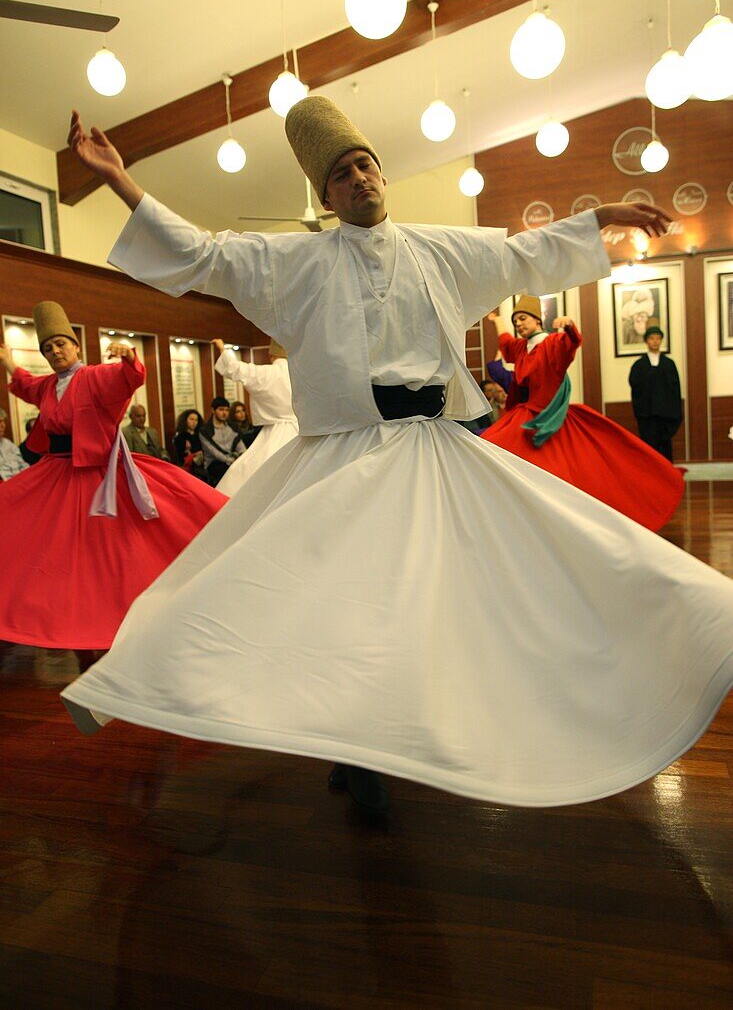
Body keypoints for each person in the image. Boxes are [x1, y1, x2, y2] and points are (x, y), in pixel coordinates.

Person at [60, 102, 733, 818]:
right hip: (344, 458)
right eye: (340, 176)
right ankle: (355, 749)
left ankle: (661, 636)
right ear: (326, 199)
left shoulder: (434, 248)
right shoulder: (296, 260)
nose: (357, 179)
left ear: (380, 173)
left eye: (362, 165)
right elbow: (204, 254)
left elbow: (518, 254)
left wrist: (597, 217)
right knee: (346, 607)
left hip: (430, 448)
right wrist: (118, 181)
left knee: (510, 566)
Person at [0, 300, 226, 654]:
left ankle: (125, 615)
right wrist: (7, 362)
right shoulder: (47, 387)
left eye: (60, 344)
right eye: (47, 348)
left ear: (75, 345)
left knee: (111, 551)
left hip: (98, 476)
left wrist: (128, 357)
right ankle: (65, 616)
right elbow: (26, 384)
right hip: (57, 473)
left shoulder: (93, 376)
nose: (55, 351)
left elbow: (130, 377)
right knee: (40, 537)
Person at [480, 303, 683, 530]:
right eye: (516, 320)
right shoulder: (520, 348)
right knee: (491, 447)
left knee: (570, 473)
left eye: (523, 318)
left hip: (548, 418)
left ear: (537, 320)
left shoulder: (552, 344)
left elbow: (571, 344)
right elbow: (505, 341)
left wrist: (568, 326)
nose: (518, 323)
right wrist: (497, 320)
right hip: (525, 417)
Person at [212, 337, 299, 496]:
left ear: (271, 355)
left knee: (252, 476)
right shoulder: (300, 374)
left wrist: (222, 349)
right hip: (301, 432)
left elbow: (234, 368)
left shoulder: (265, 373)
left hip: (274, 433)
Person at [628, 324, 683, 462]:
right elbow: (635, 388)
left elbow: (675, 390)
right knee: (649, 447)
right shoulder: (639, 365)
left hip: (666, 415)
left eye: (658, 338)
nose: (655, 341)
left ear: (661, 341)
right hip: (647, 415)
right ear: (647, 341)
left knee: (665, 447)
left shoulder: (669, 364)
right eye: (652, 338)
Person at [198, 396, 245, 486]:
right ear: (213, 410)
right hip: (215, 463)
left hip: (233, 460)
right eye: (221, 410)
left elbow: (240, 444)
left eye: (227, 410)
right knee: (225, 471)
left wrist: (243, 456)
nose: (224, 413)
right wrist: (231, 461)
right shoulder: (205, 430)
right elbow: (214, 452)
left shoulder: (233, 427)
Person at [171, 408, 206, 480]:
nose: (194, 422)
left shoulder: (200, 435)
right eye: (191, 419)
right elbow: (180, 456)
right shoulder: (180, 437)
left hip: (202, 465)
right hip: (188, 468)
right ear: (185, 420)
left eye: (196, 420)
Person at [0, 406, 29, 480]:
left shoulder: (8, 444)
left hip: (20, 484)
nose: (2, 426)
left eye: (3, 421)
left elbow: (24, 466)